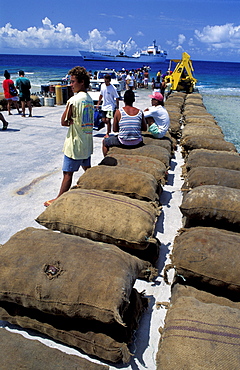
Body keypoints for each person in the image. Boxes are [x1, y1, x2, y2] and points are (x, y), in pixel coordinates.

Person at [44, 66, 94, 207]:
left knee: (67, 173)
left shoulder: (74, 100)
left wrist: (70, 122)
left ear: (82, 82)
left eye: (73, 82)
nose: (70, 85)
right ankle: (93, 187)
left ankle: (59, 199)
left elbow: (63, 121)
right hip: (86, 141)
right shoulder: (89, 99)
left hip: (75, 143)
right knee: (87, 168)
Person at [102, 90, 147, 156]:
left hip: (123, 142)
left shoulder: (118, 112)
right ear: (133, 100)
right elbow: (144, 128)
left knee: (105, 142)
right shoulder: (140, 112)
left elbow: (115, 130)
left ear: (124, 100)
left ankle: (106, 160)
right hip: (137, 142)